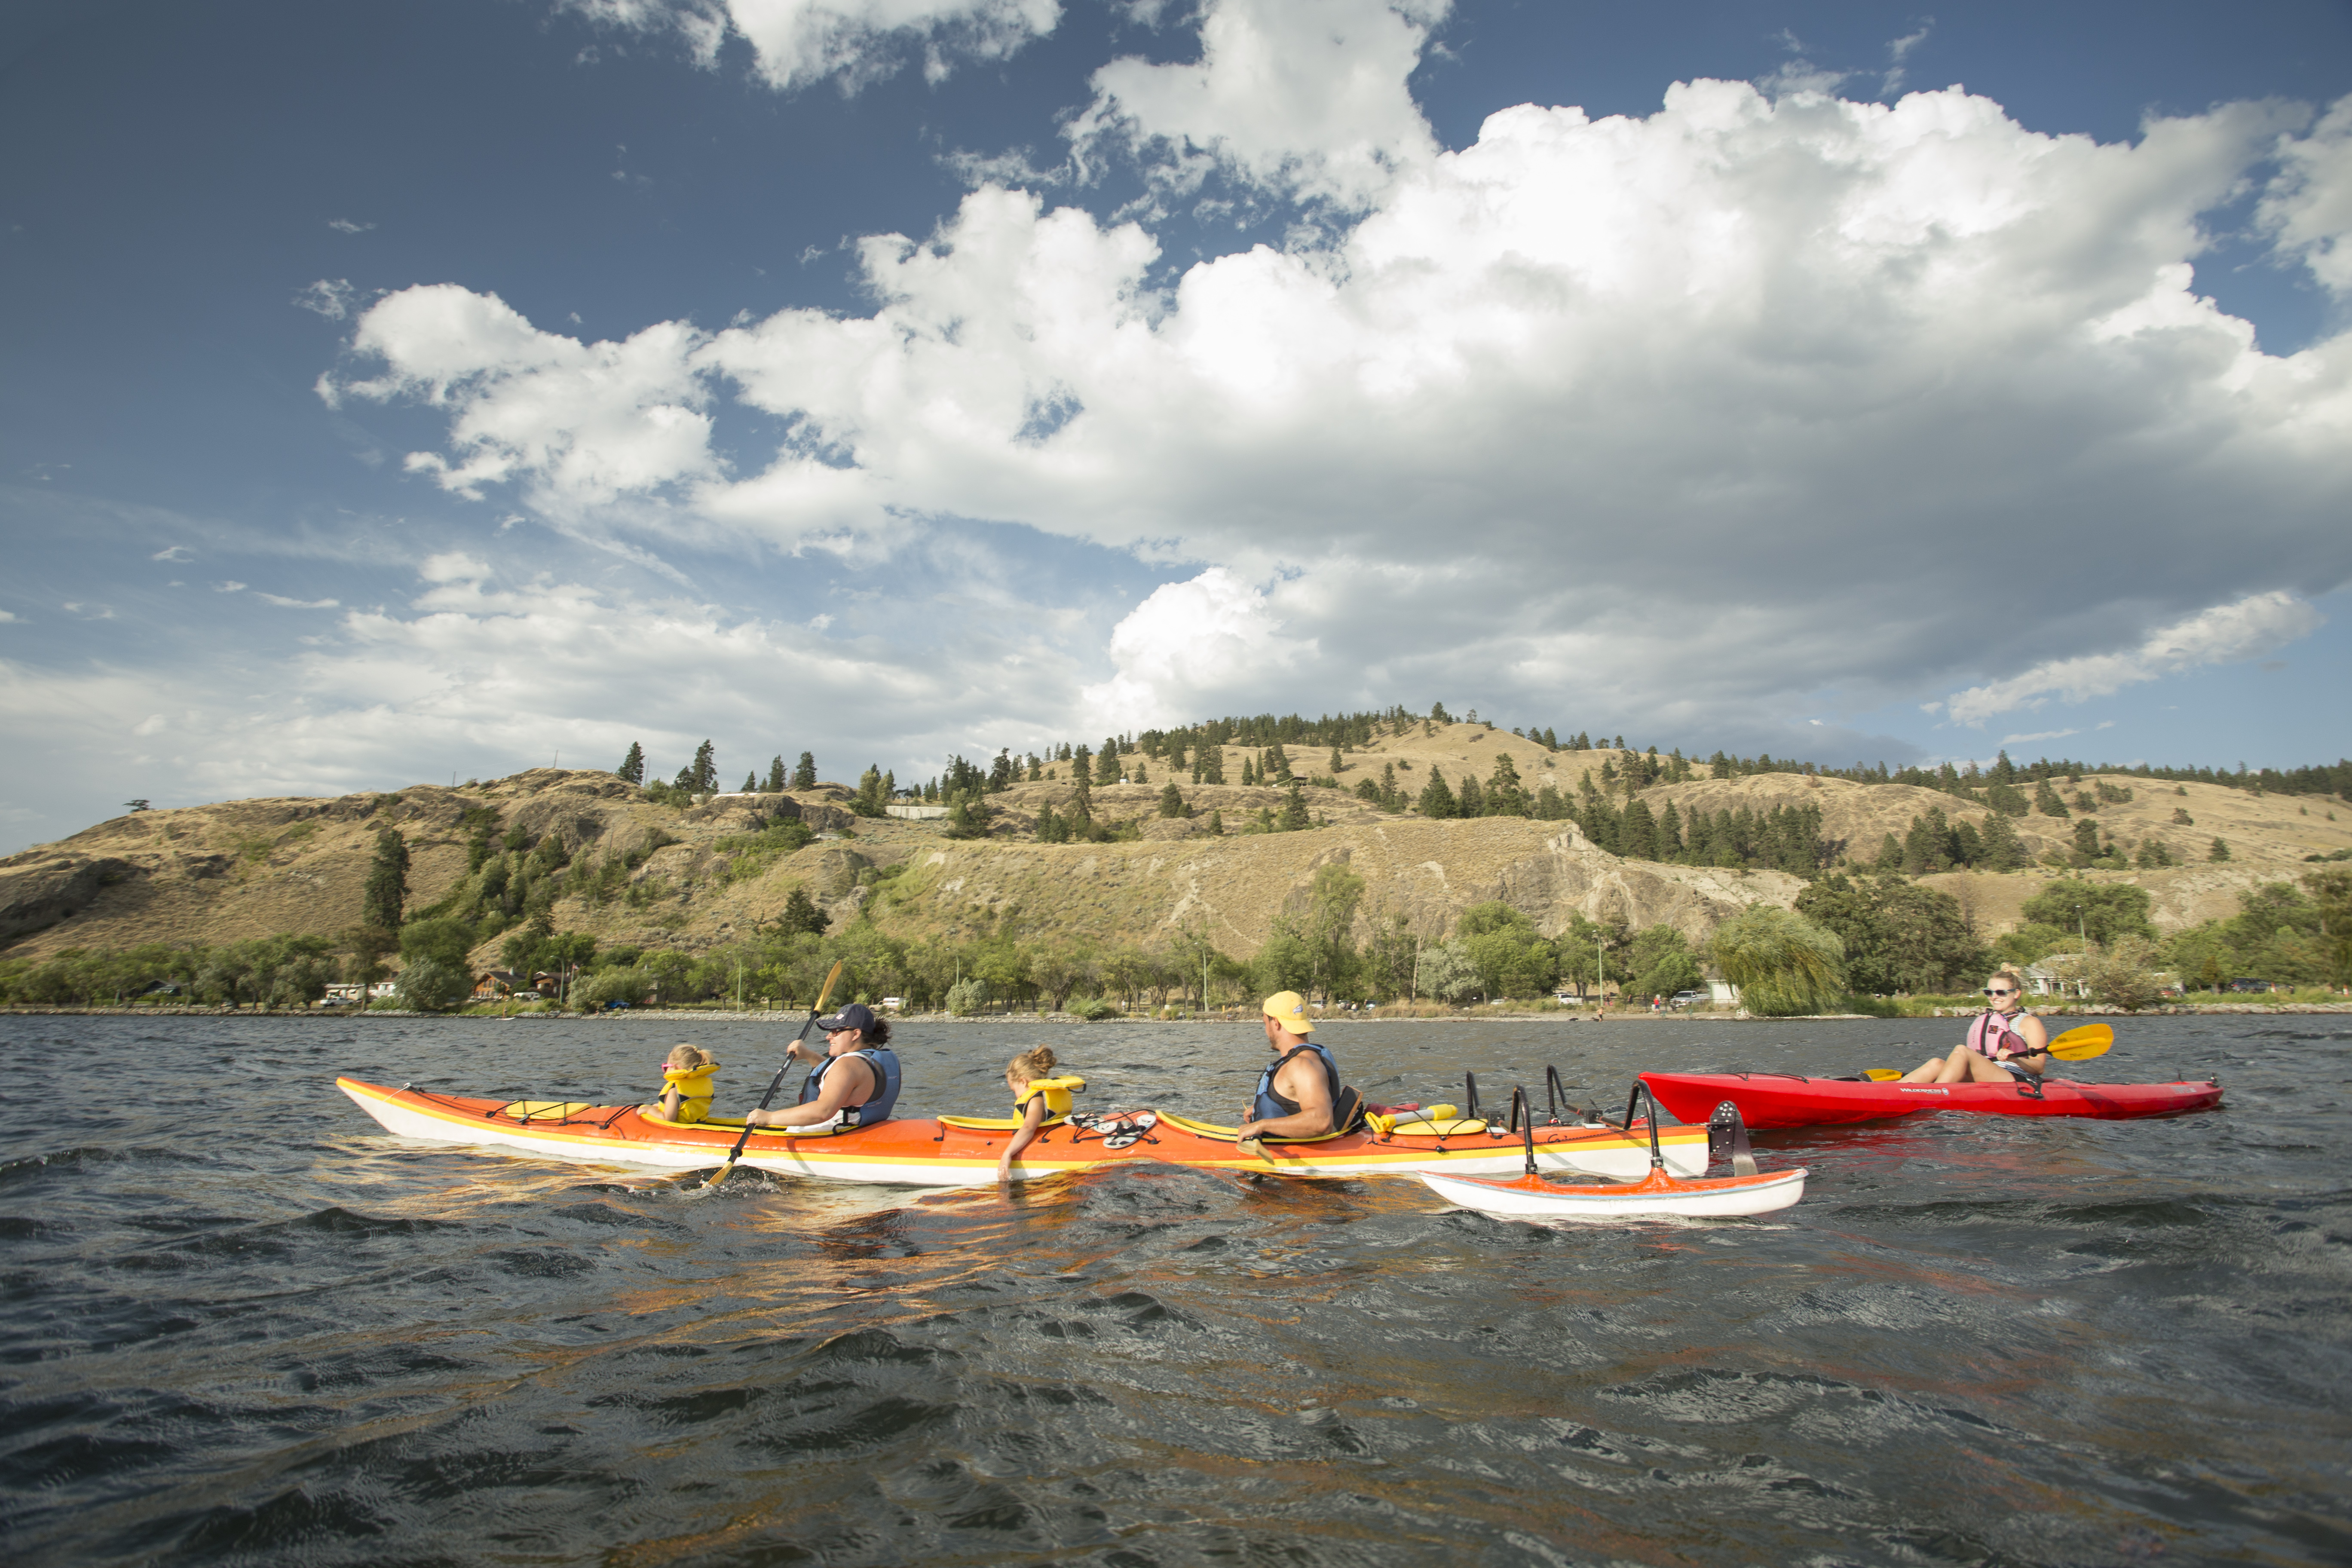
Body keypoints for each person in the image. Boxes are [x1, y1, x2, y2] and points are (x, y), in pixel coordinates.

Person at [747, 1002, 902, 1130]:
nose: (828, 1036)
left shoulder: (848, 1065)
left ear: (856, 1034)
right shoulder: (870, 1059)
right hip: (860, 1128)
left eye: (836, 1031)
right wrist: (808, 1055)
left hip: (828, 1133)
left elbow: (823, 1112)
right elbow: (837, 1077)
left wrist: (768, 1117)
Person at [1235, 991, 1360, 1141]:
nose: (1266, 1030)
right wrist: (1263, 1108)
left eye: (1265, 1023)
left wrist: (1262, 1125)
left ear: (1276, 1023)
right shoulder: (1306, 1058)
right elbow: (1294, 1103)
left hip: (1299, 1154)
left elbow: (1322, 1121)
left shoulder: (1302, 1065)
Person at [1901, 969, 2052, 1084]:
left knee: (1962, 1050)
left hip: (2016, 1079)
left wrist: (2016, 1060)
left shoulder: (2030, 1023)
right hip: (1987, 1073)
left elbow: (2039, 1067)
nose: (1994, 997)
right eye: (1989, 992)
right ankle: (1892, 1092)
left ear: (2016, 993)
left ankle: (1935, 1095)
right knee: (1937, 1063)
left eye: (2001, 992)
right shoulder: (1986, 1019)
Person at [998, 1044, 1084, 1181]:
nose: (1016, 1096)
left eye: (1014, 1090)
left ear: (1023, 1082)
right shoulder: (1043, 1094)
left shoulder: (1035, 1100)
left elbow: (1029, 1128)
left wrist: (1007, 1154)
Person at [655, 1044, 720, 1123]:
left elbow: (668, 1119)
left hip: (681, 1130)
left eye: (666, 1067)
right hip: (700, 1125)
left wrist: (648, 1109)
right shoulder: (701, 1085)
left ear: (677, 1068)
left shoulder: (675, 1089)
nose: (665, 1071)